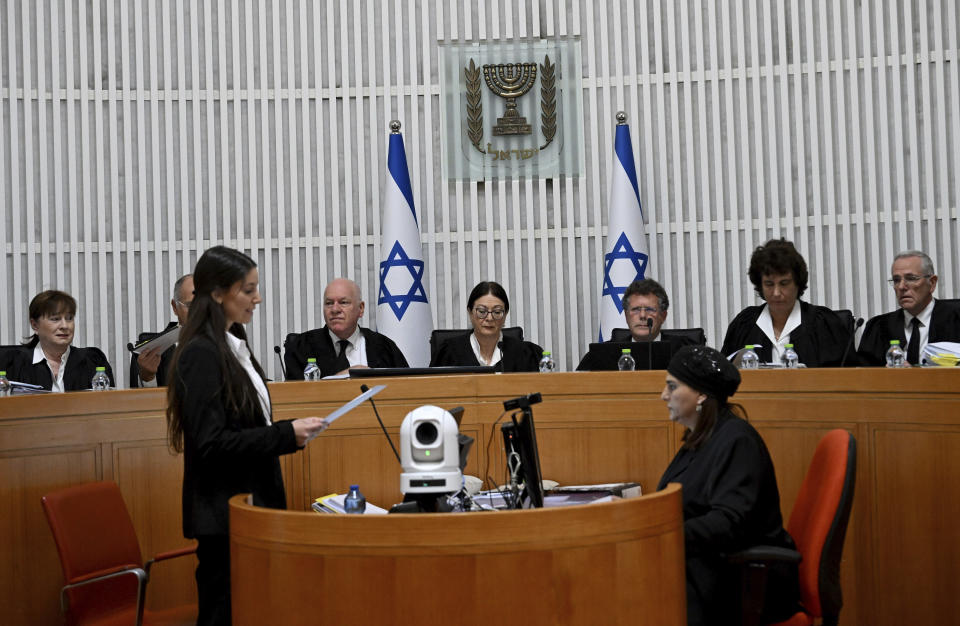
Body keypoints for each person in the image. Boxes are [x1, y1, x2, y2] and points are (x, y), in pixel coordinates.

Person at [165, 246, 327, 625]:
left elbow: (245, 425)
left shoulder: (233, 345)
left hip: (253, 510)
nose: (258, 298)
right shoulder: (201, 353)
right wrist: (286, 435)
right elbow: (211, 444)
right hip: (225, 517)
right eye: (248, 289)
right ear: (219, 294)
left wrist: (288, 431)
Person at [656, 345, 800, 625]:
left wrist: (660, 535)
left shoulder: (737, 440)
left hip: (740, 580)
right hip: (706, 567)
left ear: (700, 395)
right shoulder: (699, 437)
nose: (663, 395)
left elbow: (728, 524)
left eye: (672, 387)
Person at [720, 238, 850, 366]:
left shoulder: (823, 324)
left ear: (797, 283)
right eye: (769, 284)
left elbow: (849, 377)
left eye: (784, 283)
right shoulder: (744, 325)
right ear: (760, 285)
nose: (776, 293)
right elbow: (722, 376)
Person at [284, 278, 408, 379]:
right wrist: (338, 380)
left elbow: (407, 389)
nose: (335, 309)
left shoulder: (384, 347)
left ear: (361, 308)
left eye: (343, 302)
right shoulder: (301, 347)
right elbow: (293, 397)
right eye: (329, 303)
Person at [857, 251, 960, 366]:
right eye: (896, 280)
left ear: (932, 283)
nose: (901, 286)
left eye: (911, 278)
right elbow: (864, 377)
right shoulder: (878, 327)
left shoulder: (956, 320)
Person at [4, 290, 114, 391]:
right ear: (35, 325)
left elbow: (110, 405)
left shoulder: (92, 361)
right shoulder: (12, 364)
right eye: (55, 319)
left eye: (69, 318)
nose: (65, 326)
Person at [429, 281, 542, 372]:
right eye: (482, 311)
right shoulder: (448, 352)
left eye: (497, 312)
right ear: (470, 312)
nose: (489, 318)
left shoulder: (528, 354)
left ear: (505, 314)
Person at [130, 274, 194, 387]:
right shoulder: (148, 351)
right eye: (190, 305)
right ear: (175, 307)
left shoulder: (226, 343)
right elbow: (138, 402)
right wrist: (148, 378)